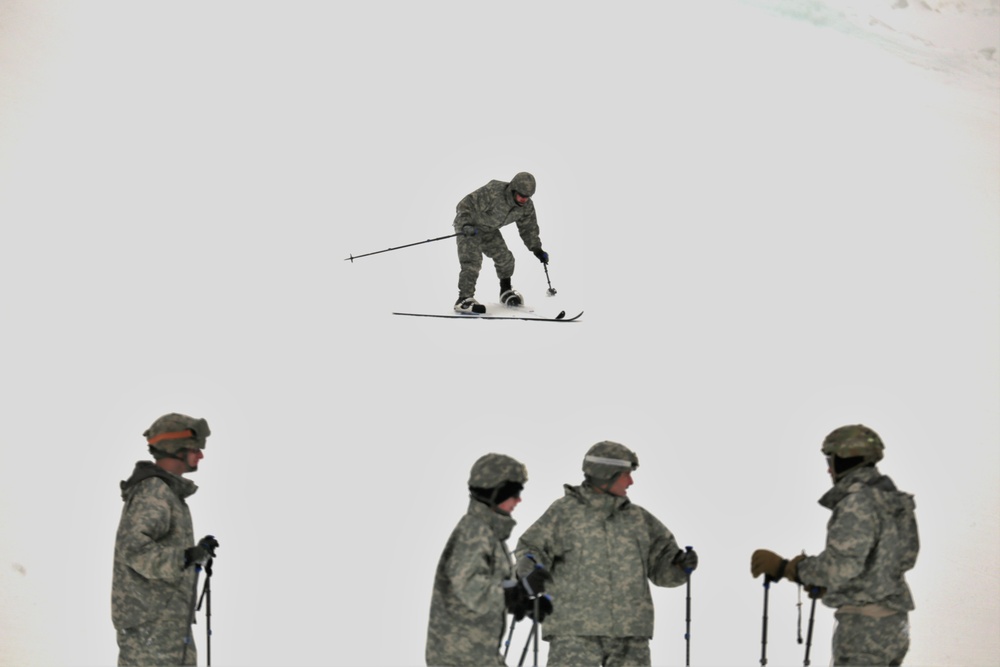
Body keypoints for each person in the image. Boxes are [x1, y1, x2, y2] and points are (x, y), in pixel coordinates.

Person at [513, 441, 699, 667]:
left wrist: (679, 565)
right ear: (605, 475)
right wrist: (530, 570)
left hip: (630, 637)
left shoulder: (639, 520)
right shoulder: (564, 514)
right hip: (574, 634)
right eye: (625, 475)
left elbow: (662, 568)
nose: (631, 481)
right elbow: (530, 548)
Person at [751, 424, 919, 666]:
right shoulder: (893, 501)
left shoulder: (856, 503)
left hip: (864, 630)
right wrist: (838, 588)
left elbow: (842, 567)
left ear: (844, 459)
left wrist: (789, 568)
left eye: (831, 460)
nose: (829, 469)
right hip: (894, 626)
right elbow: (898, 561)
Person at [112, 413, 219, 667]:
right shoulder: (154, 491)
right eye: (196, 449)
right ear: (175, 449)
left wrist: (195, 553)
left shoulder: (167, 493)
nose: (201, 455)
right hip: (152, 630)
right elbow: (135, 550)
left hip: (166, 625)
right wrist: (183, 557)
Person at [426, 453, 532, 667]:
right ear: (496, 493)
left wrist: (524, 600)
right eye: (514, 493)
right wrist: (512, 594)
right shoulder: (475, 531)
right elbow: (469, 586)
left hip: (479, 654)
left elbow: (491, 583)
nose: (518, 500)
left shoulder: (488, 531)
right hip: (461, 657)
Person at [452, 171, 549, 313]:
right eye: (521, 195)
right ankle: (464, 299)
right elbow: (465, 205)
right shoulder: (494, 191)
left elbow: (529, 228)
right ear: (513, 189)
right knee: (472, 260)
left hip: (489, 229)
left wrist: (537, 249)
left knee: (506, 258)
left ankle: (505, 291)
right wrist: (466, 224)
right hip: (469, 226)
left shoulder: (526, 206)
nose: (523, 199)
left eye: (527, 197)